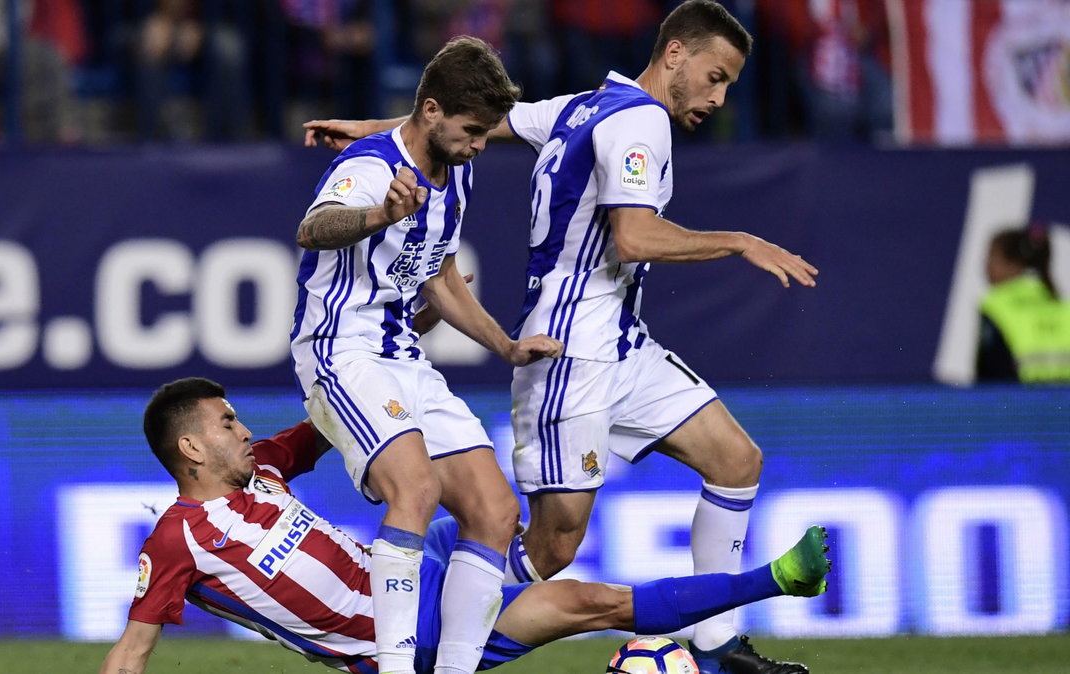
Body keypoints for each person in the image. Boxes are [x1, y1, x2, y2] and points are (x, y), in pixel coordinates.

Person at [303, 3, 820, 672]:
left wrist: (374, 129)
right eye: (715, 77)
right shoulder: (641, 123)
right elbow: (634, 235)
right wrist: (739, 240)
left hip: (624, 343)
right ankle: (433, 593)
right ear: (674, 57)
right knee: (550, 550)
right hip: (571, 353)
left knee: (736, 460)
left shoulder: (586, 106)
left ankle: (719, 650)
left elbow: (482, 121)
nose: (719, 98)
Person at [98, 377, 833, 674]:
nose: (244, 429)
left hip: (419, 570)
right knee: (586, 602)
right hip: (401, 637)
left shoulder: (264, 469)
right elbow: (132, 650)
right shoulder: (179, 539)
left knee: (509, 518)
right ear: (190, 447)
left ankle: (706, 653)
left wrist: (388, 347)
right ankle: (775, 582)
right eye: (228, 422)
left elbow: (327, 424)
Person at [290, 36, 564, 674]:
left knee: (495, 513)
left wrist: (506, 346)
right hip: (340, 350)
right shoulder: (370, 167)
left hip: (403, 354)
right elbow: (314, 227)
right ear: (433, 111)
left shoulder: (456, 170)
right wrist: (378, 215)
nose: (478, 146)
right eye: (472, 131)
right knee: (414, 489)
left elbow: (438, 274)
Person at [977, 226, 1070, 383]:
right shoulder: (1062, 307)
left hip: (1018, 403)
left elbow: (990, 372)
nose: (986, 267)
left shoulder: (996, 305)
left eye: (991, 258)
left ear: (1013, 264)